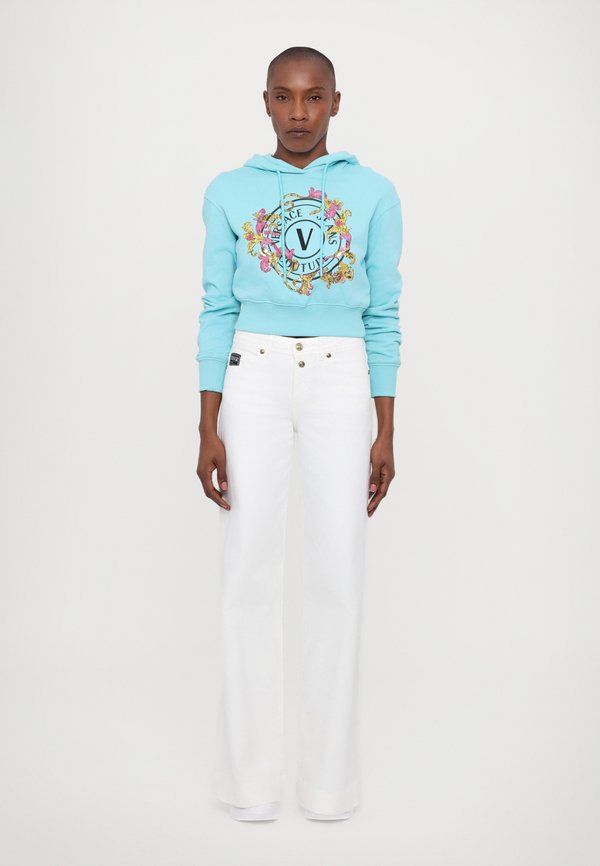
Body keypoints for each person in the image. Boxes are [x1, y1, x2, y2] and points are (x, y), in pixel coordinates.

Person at [195, 46, 403, 822]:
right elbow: (217, 305)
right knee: (247, 571)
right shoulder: (229, 191)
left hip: (342, 379)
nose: (298, 113)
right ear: (265, 102)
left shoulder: (374, 193)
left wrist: (386, 428)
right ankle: (250, 784)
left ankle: (327, 787)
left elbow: (384, 311)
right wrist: (207, 422)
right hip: (252, 376)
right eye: (283, 97)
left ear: (336, 103)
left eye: (313, 97)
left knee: (337, 575)